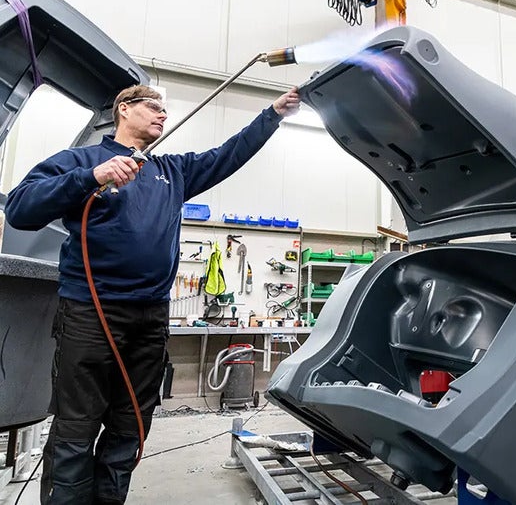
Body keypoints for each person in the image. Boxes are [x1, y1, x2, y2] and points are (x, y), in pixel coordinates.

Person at [4, 84, 300, 504]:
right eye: (154, 106)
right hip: (90, 312)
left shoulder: (173, 171)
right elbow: (20, 209)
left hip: (150, 317)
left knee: (130, 426)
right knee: (77, 425)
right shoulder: (81, 161)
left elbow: (228, 154)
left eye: (165, 109)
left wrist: (273, 114)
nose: (163, 114)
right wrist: (92, 177)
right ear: (124, 109)